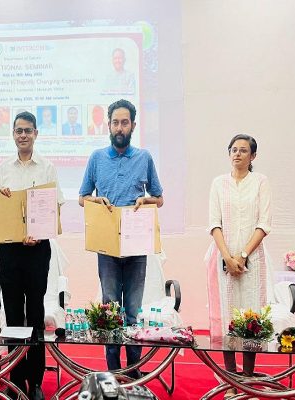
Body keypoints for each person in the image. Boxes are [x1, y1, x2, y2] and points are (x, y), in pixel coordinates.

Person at [79, 99, 163, 377]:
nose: (119, 127)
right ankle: (113, 371)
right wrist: (96, 200)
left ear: (133, 126)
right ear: (108, 125)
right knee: (110, 310)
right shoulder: (96, 158)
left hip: (136, 245)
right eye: (115, 122)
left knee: (133, 312)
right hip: (107, 247)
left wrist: (145, 200)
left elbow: (159, 198)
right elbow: (82, 197)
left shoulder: (144, 158)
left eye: (124, 122)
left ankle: (134, 369)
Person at [0, 111, 64, 400]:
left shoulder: (47, 168)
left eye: (28, 130)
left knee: (35, 313)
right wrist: (3, 199)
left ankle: (35, 380)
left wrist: (40, 232)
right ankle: (15, 377)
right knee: (12, 314)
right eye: (18, 130)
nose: (23, 135)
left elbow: (55, 207)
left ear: (36, 134)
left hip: (37, 250)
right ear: (13, 134)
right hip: (9, 250)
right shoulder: (3, 169)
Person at [204, 134, 271, 399]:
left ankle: (247, 381)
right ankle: (230, 381)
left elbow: (264, 223)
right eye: (234, 149)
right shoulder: (218, 184)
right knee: (228, 319)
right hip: (223, 258)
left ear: (253, 156)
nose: (238, 154)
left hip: (252, 260)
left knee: (250, 319)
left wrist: (242, 256)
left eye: (244, 150)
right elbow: (214, 223)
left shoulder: (261, 182)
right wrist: (228, 258)